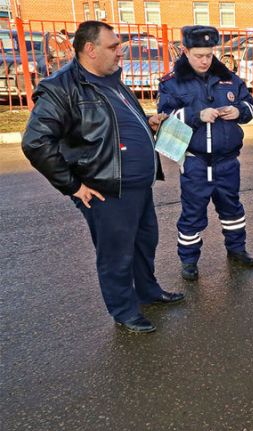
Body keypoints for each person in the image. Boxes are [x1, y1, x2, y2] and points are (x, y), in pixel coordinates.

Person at [21, 21, 184, 334]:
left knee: (143, 244)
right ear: (89, 49)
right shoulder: (62, 87)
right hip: (105, 190)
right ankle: (124, 311)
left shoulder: (113, 80)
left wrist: (146, 123)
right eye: (113, 46)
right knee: (116, 255)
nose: (120, 51)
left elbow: (113, 125)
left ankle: (148, 292)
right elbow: (36, 142)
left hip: (137, 186)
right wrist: (73, 186)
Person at [158, 26, 253, 281]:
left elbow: (250, 104)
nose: (205, 61)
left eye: (209, 54)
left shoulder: (229, 78)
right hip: (195, 163)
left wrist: (240, 111)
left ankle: (237, 250)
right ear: (185, 51)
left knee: (232, 210)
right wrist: (196, 116)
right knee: (192, 214)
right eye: (198, 55)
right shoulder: (172, 83)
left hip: (227, 162)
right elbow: (163, 119)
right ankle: (189, 261)